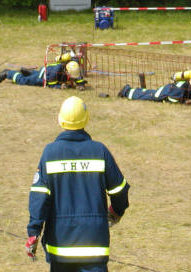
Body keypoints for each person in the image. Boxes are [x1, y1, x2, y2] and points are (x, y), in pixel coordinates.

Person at [25, 96, 130, 271]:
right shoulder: (99, 151)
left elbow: (39, 198)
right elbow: (120, 190)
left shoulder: (50, 153)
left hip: (60, 246)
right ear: (86, 119)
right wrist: (116, 211)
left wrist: (33, 232)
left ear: (61, 120)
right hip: (94, 244)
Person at [117, 73, 191, 104]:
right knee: (147, 96)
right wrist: (184, 102)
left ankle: (129, 89)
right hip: (165, 93)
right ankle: (126, 91)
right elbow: (172, 101)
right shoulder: (180, 90)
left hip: (170, 89)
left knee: (148, 92)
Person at [0, 59, 86, 89]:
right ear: (66, 71)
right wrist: (61, 86)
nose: (72, 78)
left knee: (30, 75)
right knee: (22, 80)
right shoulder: (55, 73)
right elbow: (51, 85)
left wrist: (81, 84)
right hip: (42, 78)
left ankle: (27, 72)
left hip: (44, 71)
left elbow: (78, 78)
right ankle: (7, 73)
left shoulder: (71, 67)